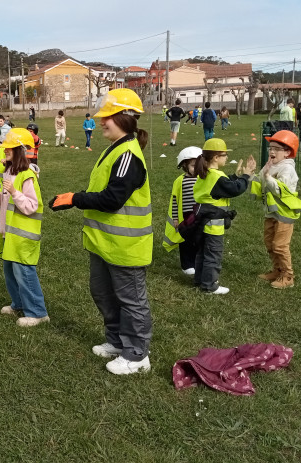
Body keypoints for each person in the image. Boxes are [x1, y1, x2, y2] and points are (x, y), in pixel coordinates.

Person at [48, 88, 153, 375]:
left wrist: (74, 198)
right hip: (104, 243)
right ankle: (118, 342)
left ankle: (137, 355)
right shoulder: (116, 148)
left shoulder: (128, 155)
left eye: (106, 116)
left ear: (122, 117)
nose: (101, 121)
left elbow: (111, 199)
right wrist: (76, 197)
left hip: (125, 248)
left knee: (131, 300)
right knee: (103, 293)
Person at [0, 128, 49, 327]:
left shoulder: (26, 175)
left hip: (22, 236)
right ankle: (19, 304)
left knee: (24, 273)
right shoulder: (9, 171)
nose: (4, 151)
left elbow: (31, 206)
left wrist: (14, 192)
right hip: (10, 234)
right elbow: (6, 202)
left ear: (19, 150)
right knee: (10, 271)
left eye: (9, 149)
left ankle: (38, 312)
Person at [192, 138, 256, 295]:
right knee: (213, 255)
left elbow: (223, 186)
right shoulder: (216, 177)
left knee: (202, 253)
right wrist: (246, 176)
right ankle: (209, 285)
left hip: (202, 223)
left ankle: (199, 280)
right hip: (214, 226)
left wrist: (235, 176)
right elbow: (235, 189)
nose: (226, 157)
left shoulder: (206, 174)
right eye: (224, 154)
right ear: (215, 157)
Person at [250, 130, 301, 289]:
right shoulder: (271, 165)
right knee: (269, 243)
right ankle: (277, 270)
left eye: (277, 148)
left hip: (283, 214)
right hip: (271, 212)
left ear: (288, 152)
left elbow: (281, 190)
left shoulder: (288, 169)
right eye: (270, 147)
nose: (272, 151)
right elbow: (260, 182)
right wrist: (251, 174)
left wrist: (268, 177)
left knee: (280, 245)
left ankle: (288, 276)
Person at [162, 146, 202, 275]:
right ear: (184, 166)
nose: (195, 169)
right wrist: (175, 218)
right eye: (192, 166)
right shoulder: (180, 181)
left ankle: (197, 262)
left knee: (199, 240)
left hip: (200, 216)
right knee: (185, 241)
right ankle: (187, 265)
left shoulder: (204, 179)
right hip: (186, 217)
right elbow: (175, 200)